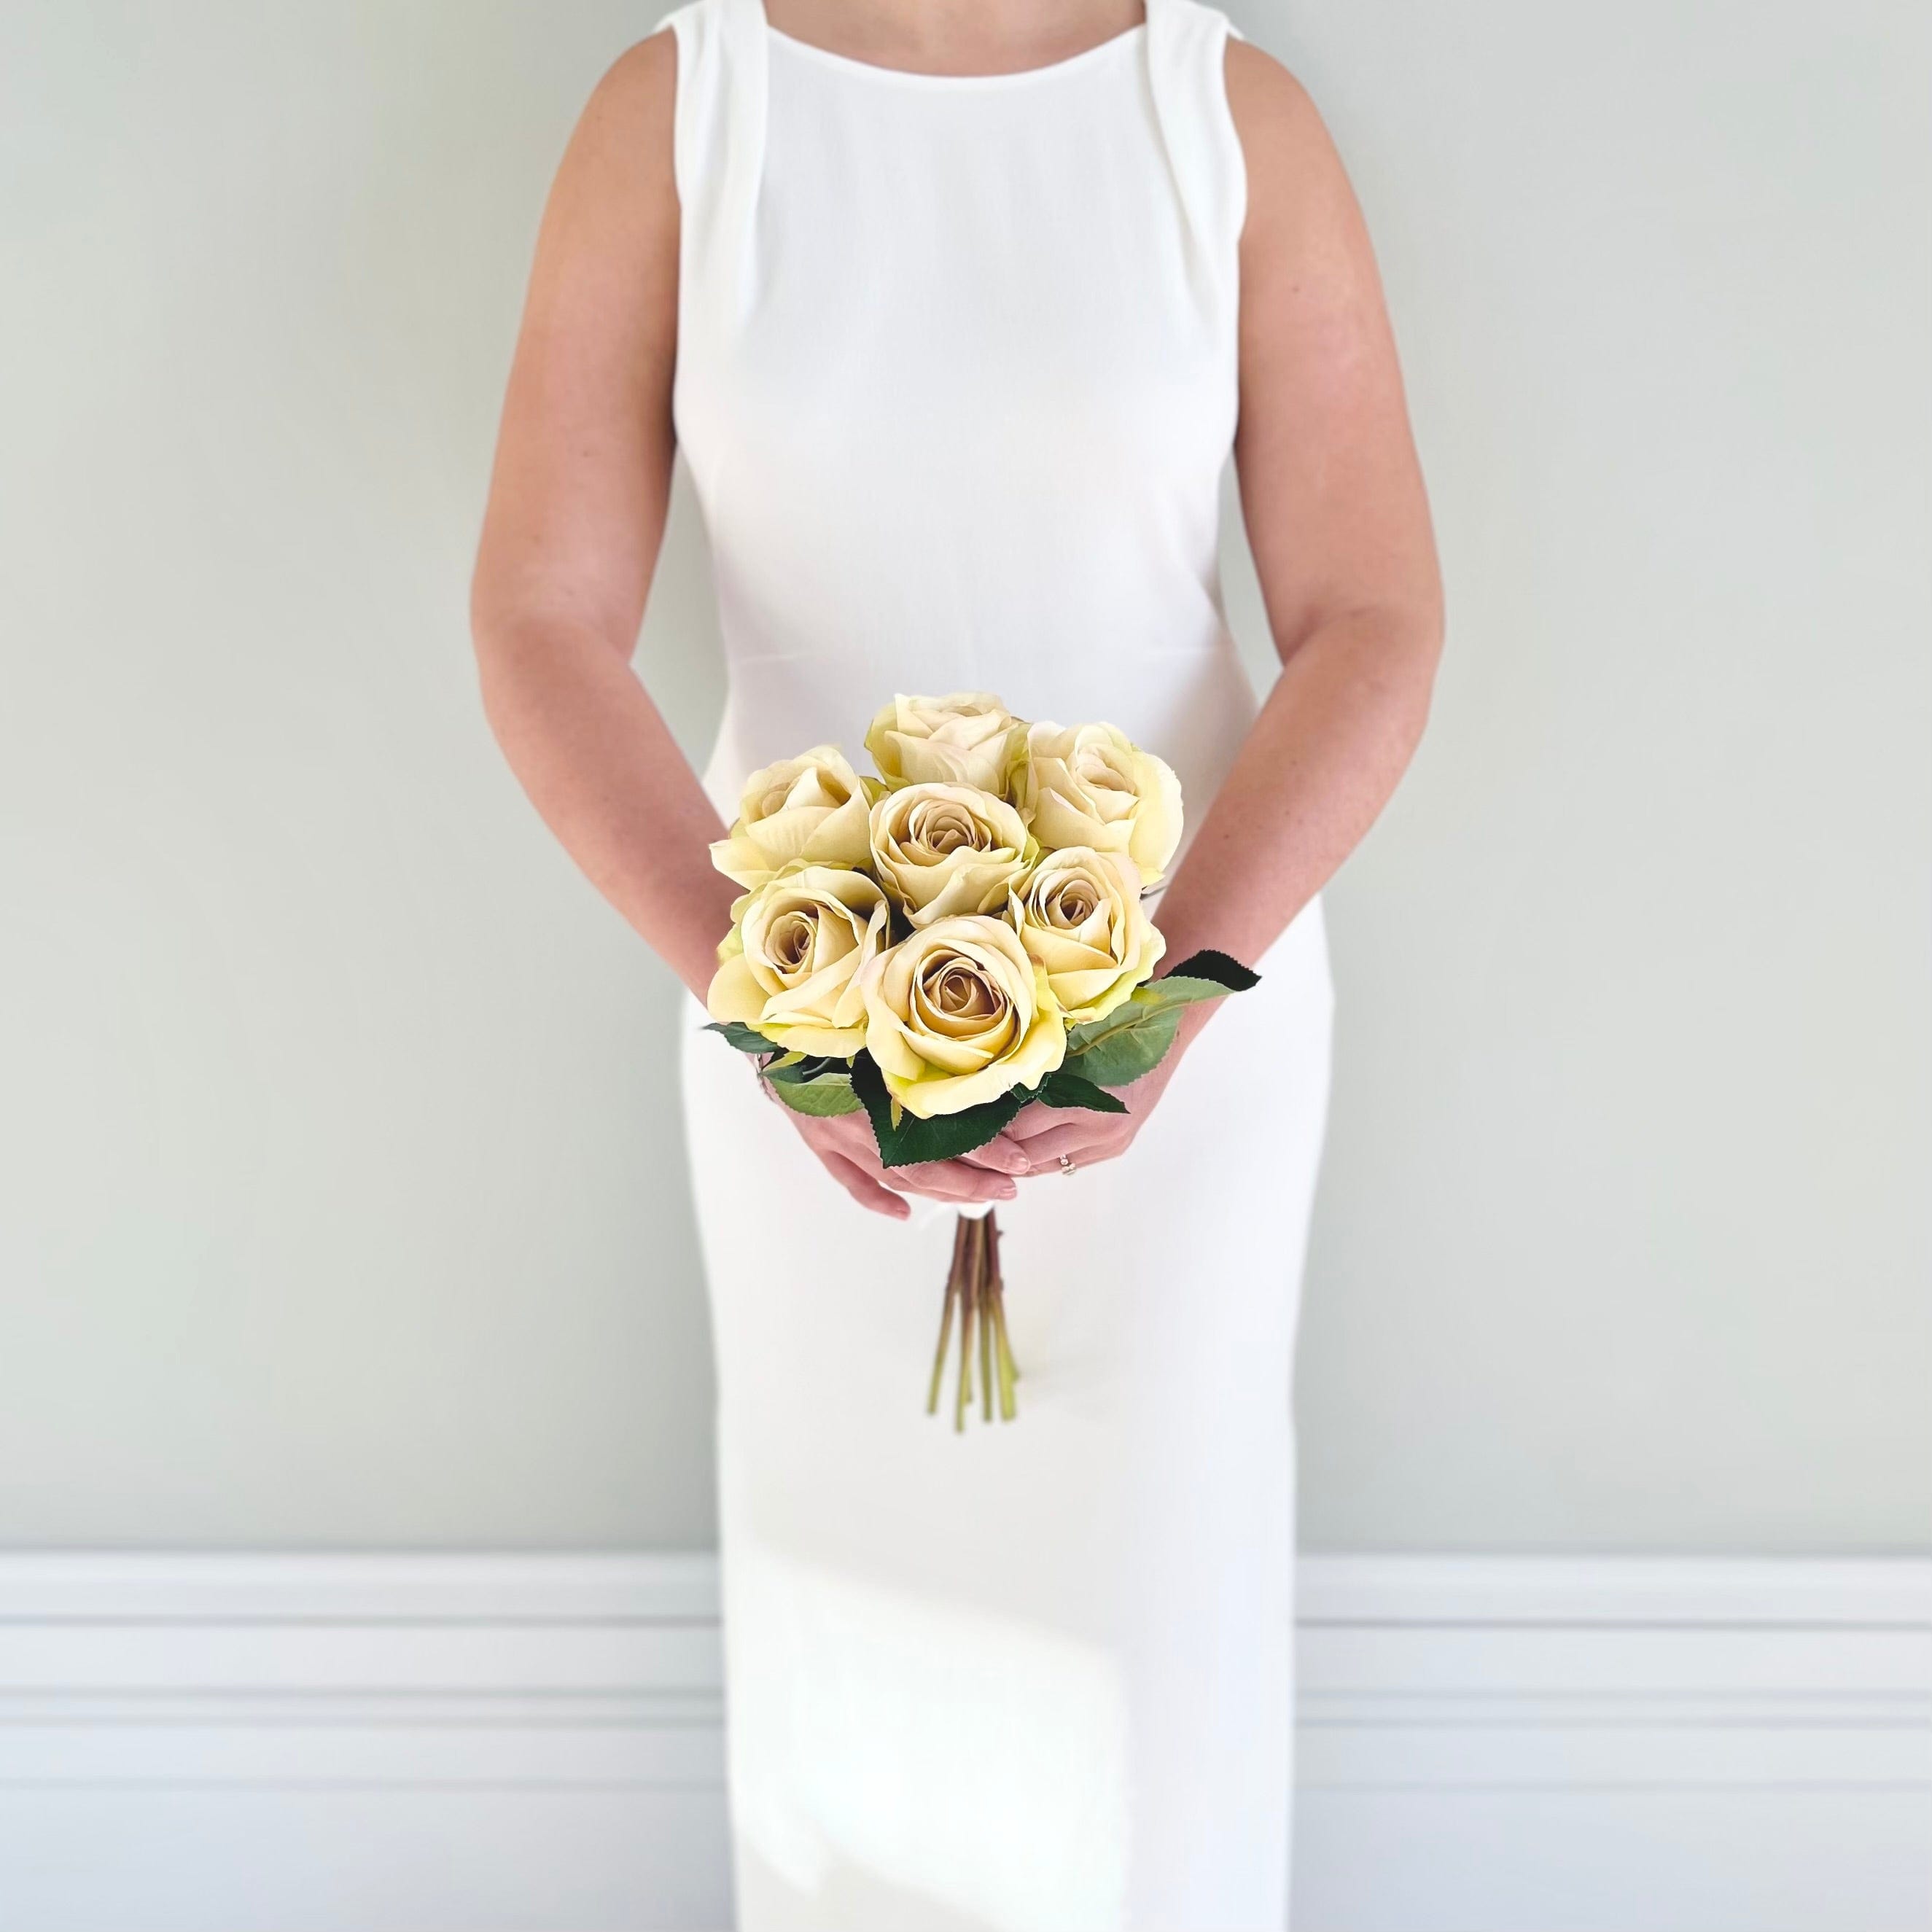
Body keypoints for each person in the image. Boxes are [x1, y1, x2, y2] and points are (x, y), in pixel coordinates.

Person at [470, 1, 1441, 1923]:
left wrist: (1158, 1005)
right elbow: (539, 618)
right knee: (848, 1679)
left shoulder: (1224, 116)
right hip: (786, 1023)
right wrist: (772, 1009)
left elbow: (1374, 618)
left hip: (1195, 1021)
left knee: (1156, 1657)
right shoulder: (678, 114)